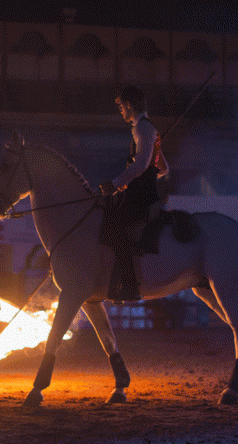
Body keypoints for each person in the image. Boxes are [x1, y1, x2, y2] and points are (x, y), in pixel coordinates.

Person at [99, 86, 169, 302]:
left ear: (129, 104)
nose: (120, 110)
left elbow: (141, 165)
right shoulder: (148, 131)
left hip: (142, 198)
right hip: (141, 192)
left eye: (121, 106)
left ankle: (129, 286)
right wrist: (138, 179)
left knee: (113, 228)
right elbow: (163, 168)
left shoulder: (143, 129)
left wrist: (117, 183)